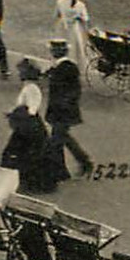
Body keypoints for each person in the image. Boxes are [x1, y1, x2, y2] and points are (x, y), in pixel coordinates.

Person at [1, 67, 58, 194]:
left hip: (28, 125)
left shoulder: (30, 89)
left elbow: (31, 109)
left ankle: (13, 179)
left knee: (18, 150)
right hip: (30, 124)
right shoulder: (30, 87)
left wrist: (16, 114)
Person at [45, 39, 93, 180]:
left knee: (56, 141)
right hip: (58, 111)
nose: (52, 52)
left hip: (63, 111)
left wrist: (65, 104)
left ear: (61, 51)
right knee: (63, 139)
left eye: (54, 50)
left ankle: (63, 171)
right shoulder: (58, 67)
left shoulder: (68, 68)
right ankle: (83, 162)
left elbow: (75, 90)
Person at [53, 0, 90, 72]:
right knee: (67, 46)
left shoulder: (79, 5)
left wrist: (77, 18)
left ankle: (71, 65)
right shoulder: (62, 3)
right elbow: (85, 18)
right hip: (66, 28)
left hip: (70, 28)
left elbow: (56, 15)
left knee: (73, 46)